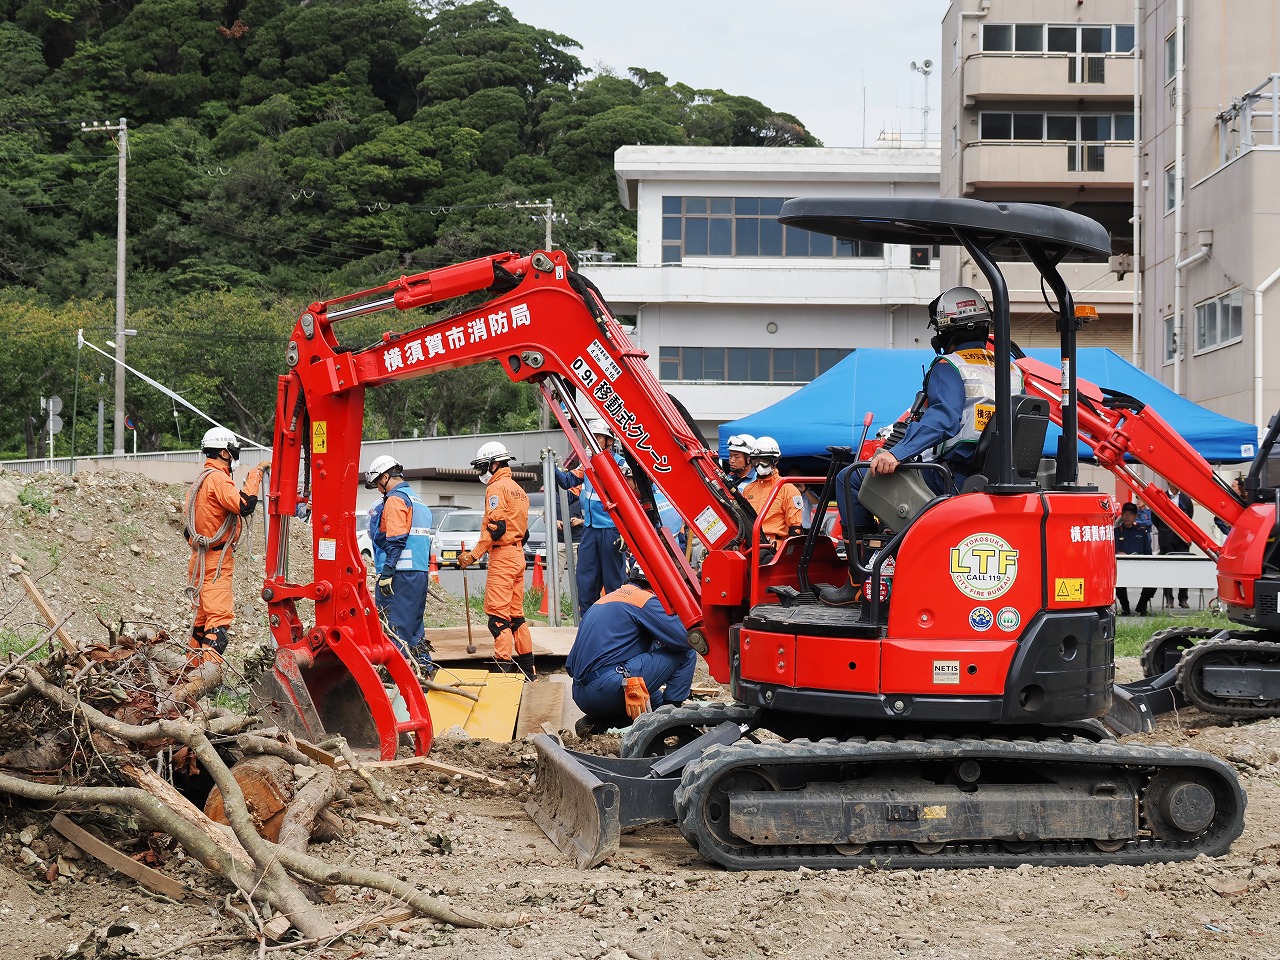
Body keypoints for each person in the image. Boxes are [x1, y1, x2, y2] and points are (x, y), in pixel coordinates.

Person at [820, 286, 1022, 606]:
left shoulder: (950, 366)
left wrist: (896, 453)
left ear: (946, 328)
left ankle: (857, 581)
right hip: (989, 474)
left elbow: (943, 420)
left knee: (851, 478)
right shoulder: (1011, 369)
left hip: (948, 477)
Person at [568, 565, 697, 737]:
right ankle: (671, 720)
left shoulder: (604, 601)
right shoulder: (644, 599)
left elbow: (570, 666)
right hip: (608, 688)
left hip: (581, 694)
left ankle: (596, 724)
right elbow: (684, 639)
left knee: (655, 700)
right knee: (686, 653)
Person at [184, 427, 271, 656]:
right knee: (219, 620)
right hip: (215, 563)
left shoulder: (198, 482)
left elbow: (187, 530)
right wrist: (256, 474)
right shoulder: (219, 480)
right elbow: (244, 505)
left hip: (200, 560)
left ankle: (191, 672)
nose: (233, 457)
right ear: (224, 453)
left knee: (202, 620)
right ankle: (208, 679)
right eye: (233, 452)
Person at [459, 441, 534, 678]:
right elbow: (523, 529)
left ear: (493, 464)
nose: (482, 472)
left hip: (502, 557)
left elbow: (496, 528)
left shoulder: (496, 488)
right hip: (518, 554)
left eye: (483, 467)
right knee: (516, 615)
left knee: (498, 617)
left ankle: (503, 669)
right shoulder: (518, 490)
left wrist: (472, 555)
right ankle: (529, 670)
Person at [365, 455, 435, 674]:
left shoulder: (396, 499)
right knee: (415, 628)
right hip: (419, 574)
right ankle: (424, 670)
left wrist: (387, 572)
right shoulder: (418, 501)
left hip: (400, 575)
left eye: (378, 483)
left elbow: (396, 540)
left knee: (394, 629)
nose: (378, 489)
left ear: (386, 477)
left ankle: (396, 681)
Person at [555, 419, 628, 616]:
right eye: (590, 437)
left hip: (612, 531)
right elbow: (568, 480)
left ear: (609, 441)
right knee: (585, 580)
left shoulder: (621, 465)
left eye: (597, 437)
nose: (591, 442)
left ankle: (618, 622)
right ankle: (588, 624)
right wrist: (551, 466)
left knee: (614, 582)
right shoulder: (586, 464)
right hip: (590, 529)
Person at [740, 436, 804, 548]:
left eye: (764, 461)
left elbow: (795, 529)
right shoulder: (748, 489)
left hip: (775, 548)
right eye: (756, 461)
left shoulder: (787, 489)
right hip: (751, 546)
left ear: (775, 461)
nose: (760, 466)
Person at [1150, 484, 1195, 608]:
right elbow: (1155, 518)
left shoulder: (1186, 499)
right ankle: (1169, 598)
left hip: (1182, 539)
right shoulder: (1162, 496)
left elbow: (1189, 516)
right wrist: (1165, 530)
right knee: (1167, 569)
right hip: (1166, 538)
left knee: (1184, 569)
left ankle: (1183, 598)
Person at [1114, 502, 1156, 617]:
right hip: (1122, 567)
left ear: (1136, 516)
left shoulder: (1141, 532)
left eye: (1131, 514)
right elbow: (1113, 551)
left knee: (1155, 579)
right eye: (1125, 514)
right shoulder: (1116, 532)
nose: (1127, 517)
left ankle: (1141, 606)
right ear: (1121, 514)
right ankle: (1125, 607)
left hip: (1140, 566)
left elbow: (1148, 552)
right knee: (1117, 580)